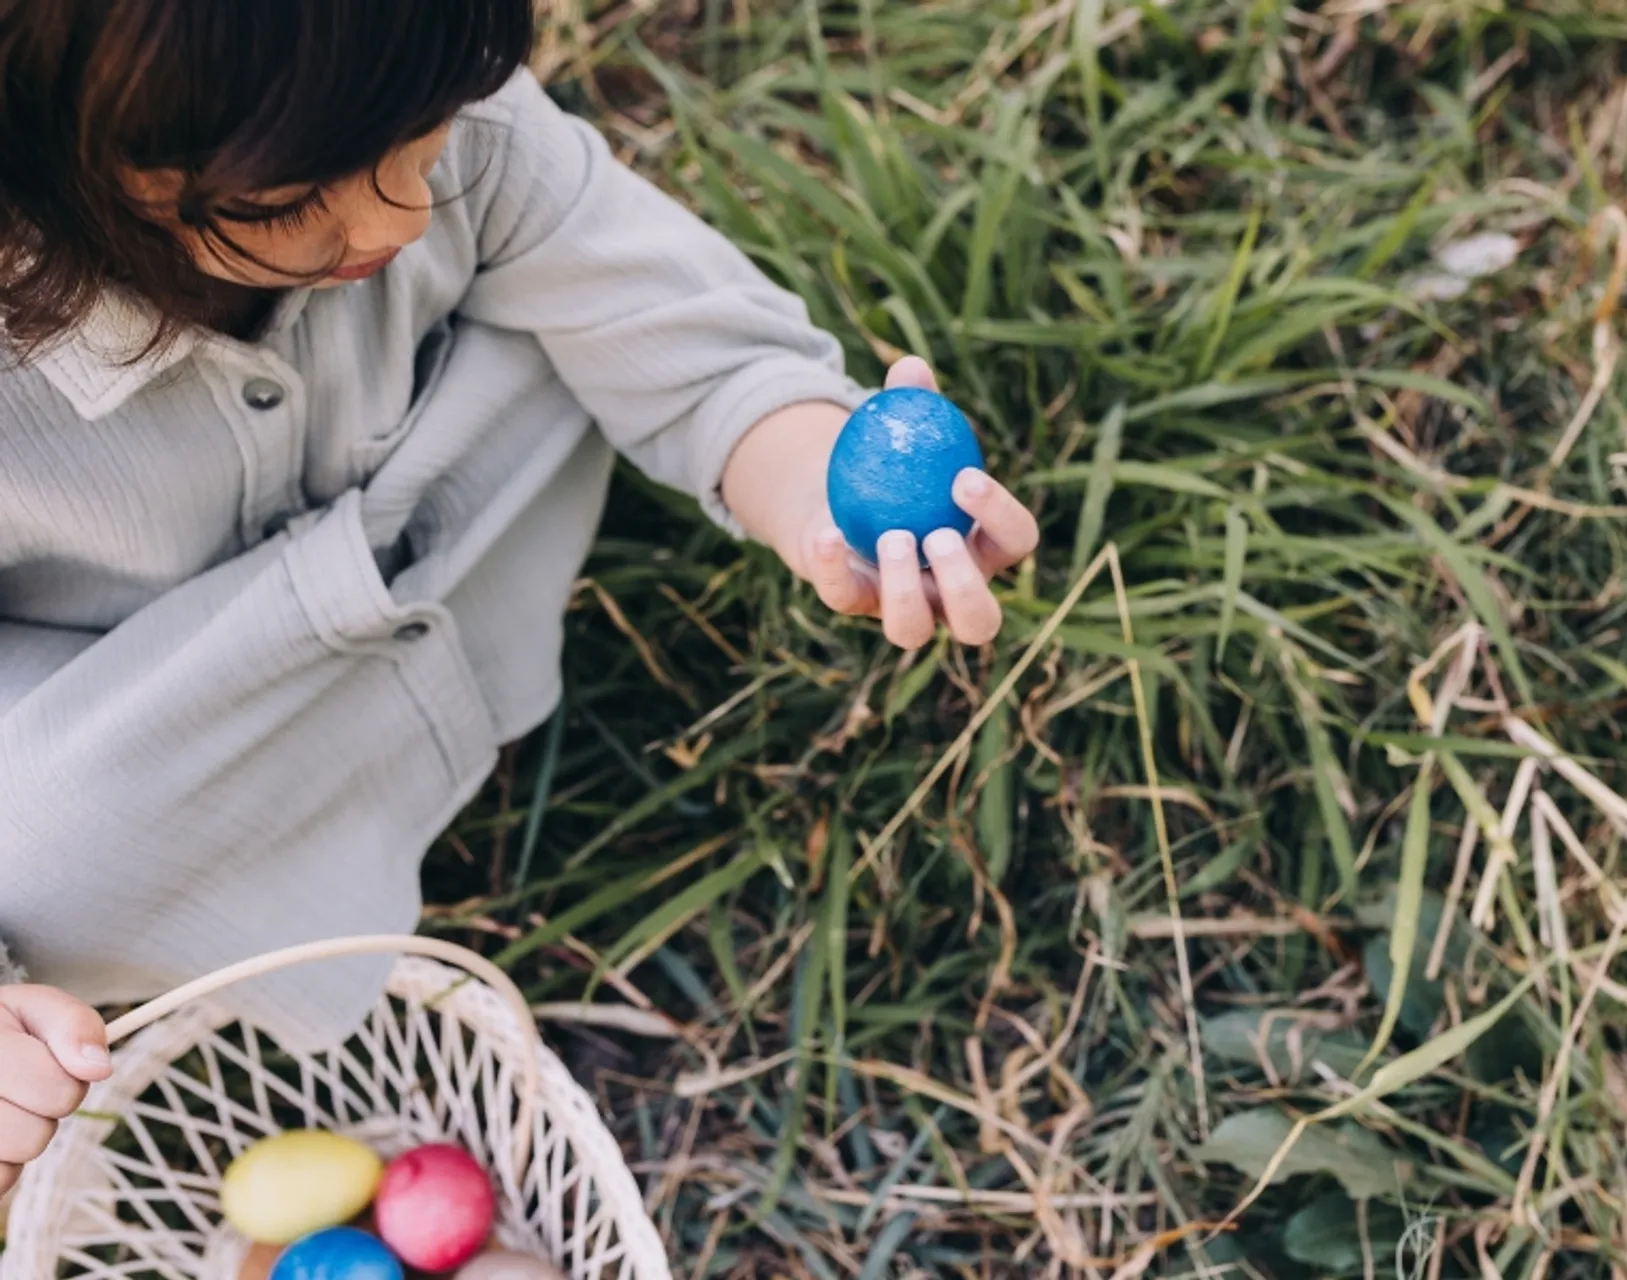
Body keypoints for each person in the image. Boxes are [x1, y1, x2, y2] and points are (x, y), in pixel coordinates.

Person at [0, 0, 1038, 1198]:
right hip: (122, 695)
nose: (396, 216)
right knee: (38, 860)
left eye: (427, 136)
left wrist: (819, 495)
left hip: (439, 516)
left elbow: (692, 342)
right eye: (286, 202)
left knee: (568, 317)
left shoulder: (386, 79)